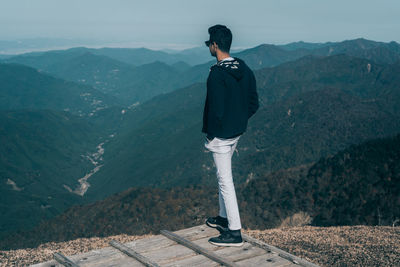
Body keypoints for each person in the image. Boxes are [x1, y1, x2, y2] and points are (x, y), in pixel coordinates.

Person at [203, 24, 259, 246]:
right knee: (222, 177)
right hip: (236, 132)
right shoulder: (244, 68)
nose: (208, 46)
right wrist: (239, 120)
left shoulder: (216, 74)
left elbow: (215, 109)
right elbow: (254, 102)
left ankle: (234, 232)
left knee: (225, 181)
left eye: (209, 43)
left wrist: (212, 134)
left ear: (215, 45)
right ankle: (223, 218)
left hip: (221, 136)